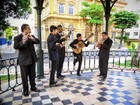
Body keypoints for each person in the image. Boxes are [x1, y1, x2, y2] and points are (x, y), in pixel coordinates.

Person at [13, 24, 40, 96]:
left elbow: (38, 41)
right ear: (24, 29)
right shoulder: (17, 37)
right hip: (24, 60)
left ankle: (33, 87)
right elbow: (15, 46)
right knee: (24, 77)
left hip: (32, 59)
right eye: (28, 28)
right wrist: (23, 41)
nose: (30, 29)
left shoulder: (31, 36)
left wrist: (32, 39)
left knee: (32, 75)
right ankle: (25, 90)